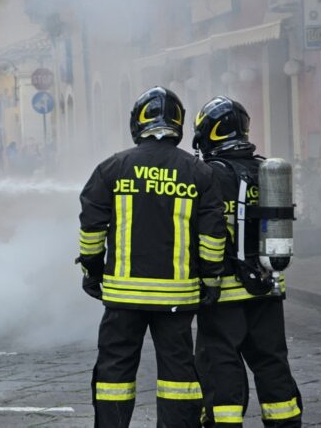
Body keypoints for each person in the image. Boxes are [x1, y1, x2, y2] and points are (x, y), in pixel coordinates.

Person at [77, 86, 227, 428]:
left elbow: (91, 226)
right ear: (179, 124)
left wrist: (92, 269)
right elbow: (212, 235)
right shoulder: (199, 173)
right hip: (177, 296)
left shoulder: (113, 168)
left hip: (122, 296)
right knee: (178, 377)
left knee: (114, 371)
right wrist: (211, 280)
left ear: (138, 122)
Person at [192, 97, 302, 427]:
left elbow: (206, 233)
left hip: (223, 292)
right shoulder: (265, 170)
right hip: (268, 287)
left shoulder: (208, 175)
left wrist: (206, 279)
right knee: (272, 361)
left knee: (220, 362)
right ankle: (285, 422)